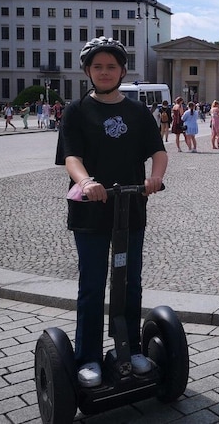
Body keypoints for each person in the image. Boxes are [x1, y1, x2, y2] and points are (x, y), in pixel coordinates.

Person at [55, 37, 167, 388]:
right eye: (98, 67)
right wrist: (87, 181)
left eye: (111, 67)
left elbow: (158, 151)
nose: (105, 72)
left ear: (122, 71)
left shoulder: (137, 112)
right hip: (90, 211)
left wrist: (156, 178)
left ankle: (130, 348)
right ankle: (87, 356)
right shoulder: (76, 111)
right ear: (88, 71)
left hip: (131, 207)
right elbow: (71, 157)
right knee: (92, 285)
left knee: (129, 283)